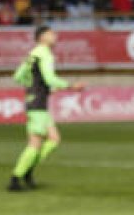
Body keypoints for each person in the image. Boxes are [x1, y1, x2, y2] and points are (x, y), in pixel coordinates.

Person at [8, 26, 85, 191]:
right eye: (51, 34)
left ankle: (27, 170)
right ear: (42, 37)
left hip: (35, 100)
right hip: (37, 104)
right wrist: (71, 86)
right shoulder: (45, 53)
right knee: (35, 143)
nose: (55, 36)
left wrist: (36, 87)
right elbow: (49, 77)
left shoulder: (32, 54)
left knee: (54, 139)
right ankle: (16, 178)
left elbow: (18, 76)